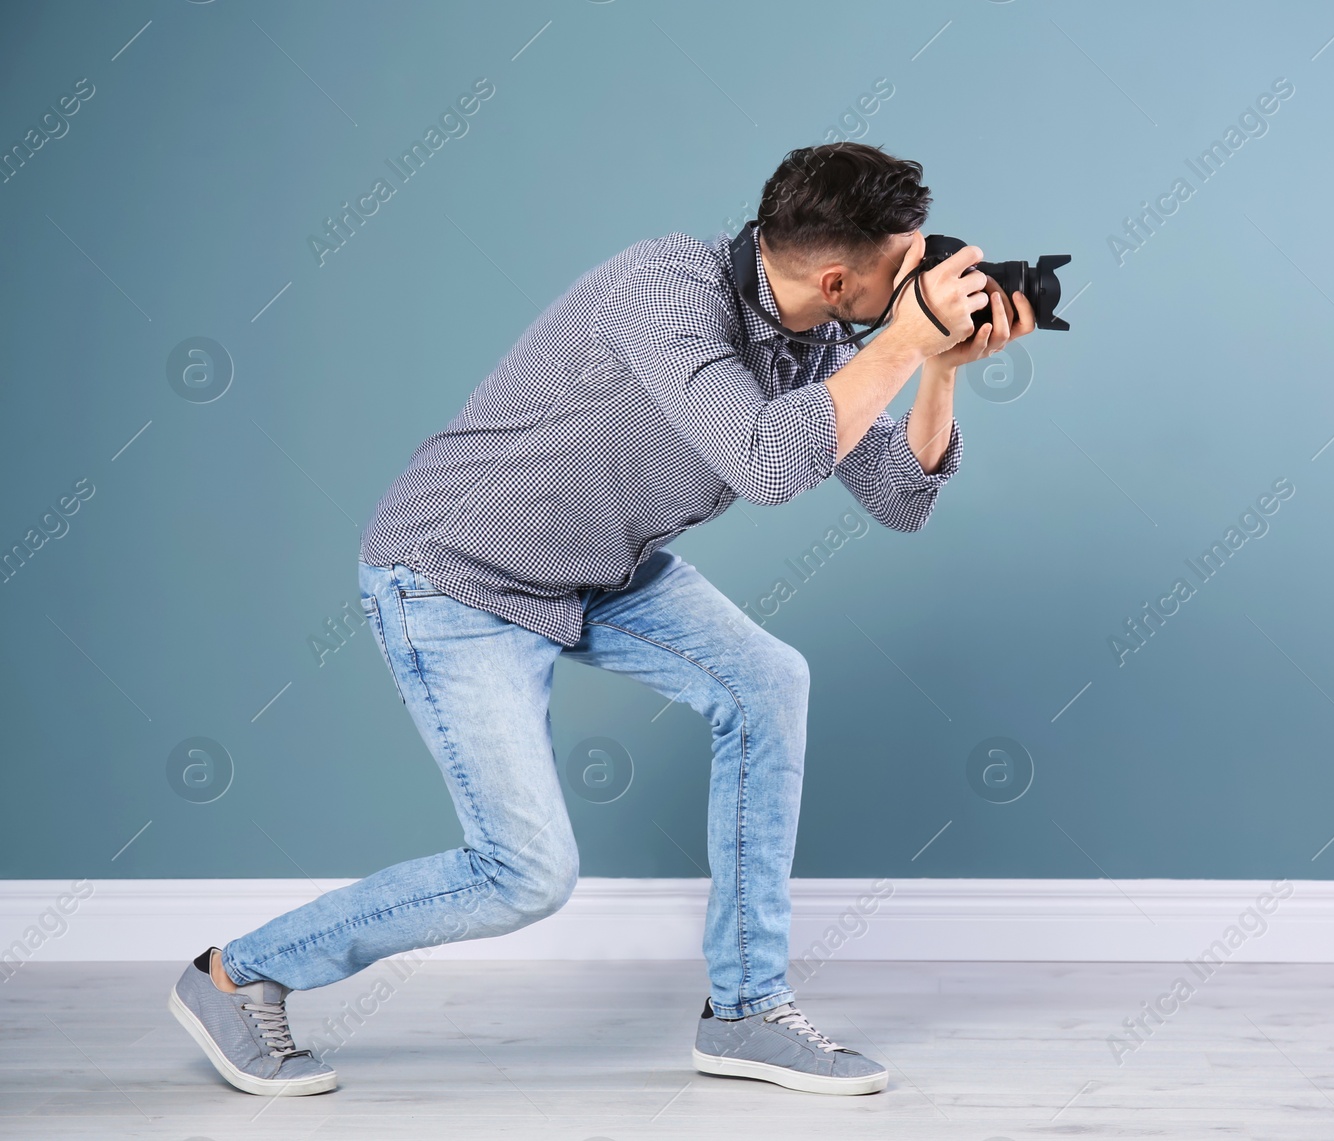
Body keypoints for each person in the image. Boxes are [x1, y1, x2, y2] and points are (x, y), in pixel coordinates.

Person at [167, 141, 1036, 1098]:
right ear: (836, 277)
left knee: (767, 681)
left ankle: (747, 1011)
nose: (918, 278)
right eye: (902, 264)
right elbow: (764, 462)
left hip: (593, 571)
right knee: (525, 873)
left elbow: (901, 498)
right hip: (454, 571)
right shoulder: (664, 288)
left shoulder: (828, 340)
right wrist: (900, 346)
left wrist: (940, 368)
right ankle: (236, 971)